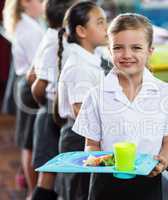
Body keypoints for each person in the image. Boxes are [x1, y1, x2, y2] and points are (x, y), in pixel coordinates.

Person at [72, 13, 168, 200]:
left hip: (148, 183)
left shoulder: (165, 93)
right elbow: (91, 144)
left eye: (136, 48)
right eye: (118, 48)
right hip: (105, 185)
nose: (127, 55)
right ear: (109, 51)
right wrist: (99, 162)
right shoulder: (96, 95)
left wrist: (163, 161)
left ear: (150, 51)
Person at [56, 1, 109, 200]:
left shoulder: (90, 57)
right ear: (81, 30)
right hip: (79, 137)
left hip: (85, 135)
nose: (106, 28)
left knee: (86, 190)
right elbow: (80, 110)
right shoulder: (80, 66)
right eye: (100, 23)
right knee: (78, 193)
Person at [29, 0, 78, 199]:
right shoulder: (53, 43)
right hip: (50, 113)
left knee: (50, 176)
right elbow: (38, 85)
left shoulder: (57, 38)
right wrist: (47, 106)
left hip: (53, 111)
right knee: (46, 179)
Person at [3, 0, 44, 199]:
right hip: (30, 86)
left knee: (28, 142)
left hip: (24, 85)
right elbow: (39, 66)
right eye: (40, 0)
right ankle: (32, 191)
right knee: (29, 142)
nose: (44, 4)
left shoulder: (27, 23)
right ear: (26, 3)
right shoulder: (30, 29)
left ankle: (31, 188)